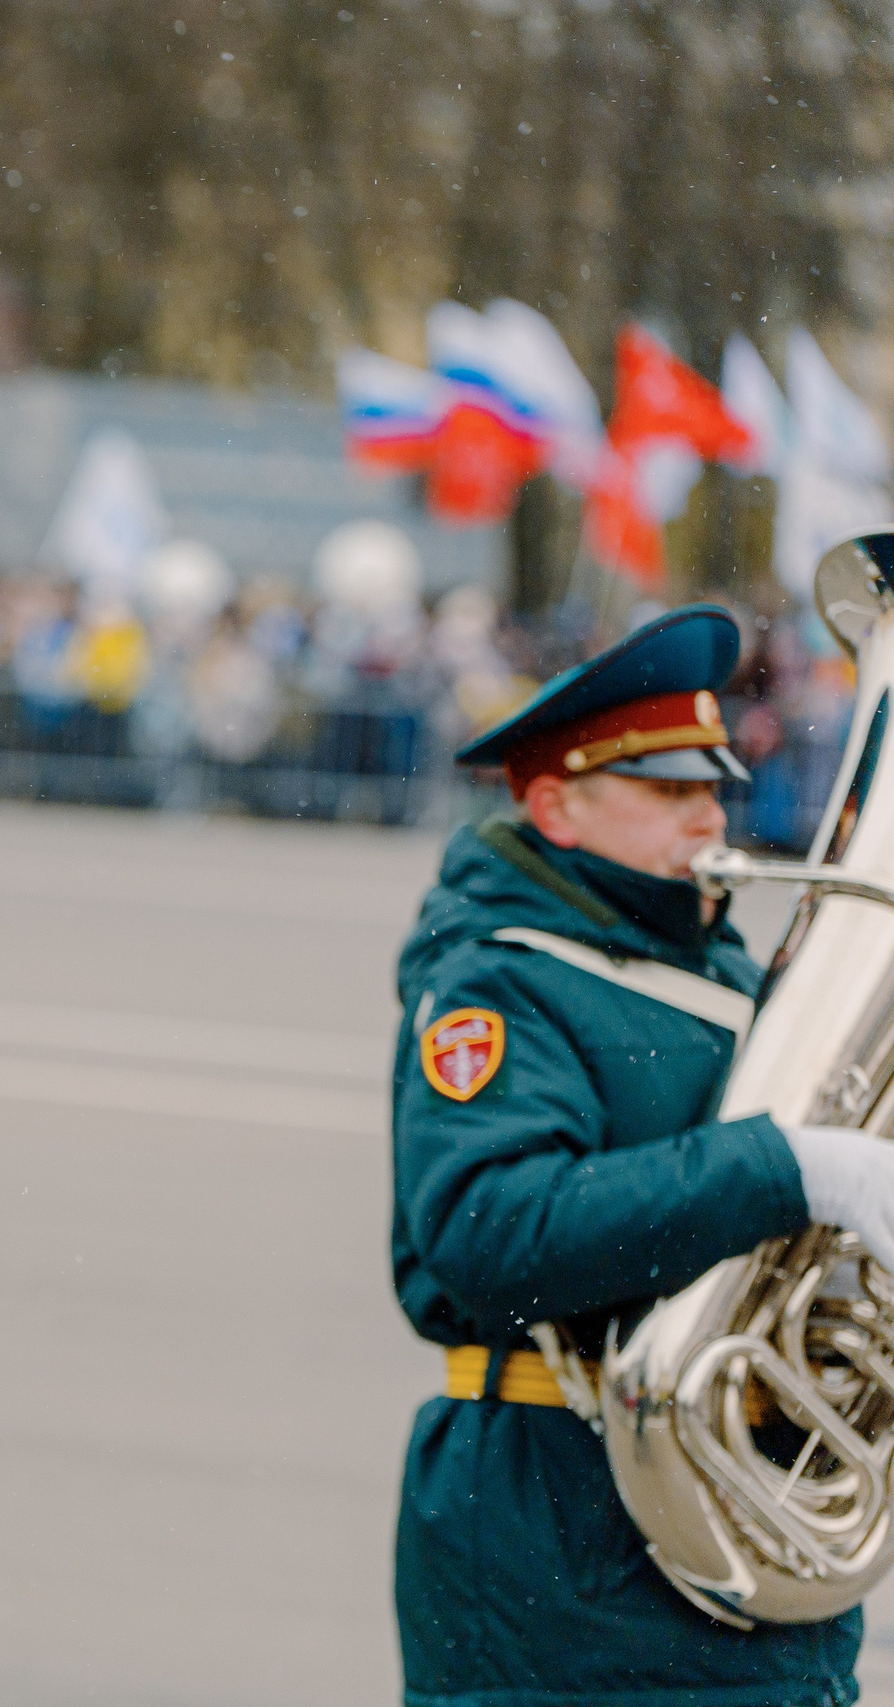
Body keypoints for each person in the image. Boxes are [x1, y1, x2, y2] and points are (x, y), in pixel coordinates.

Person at [392, 602, 894, 1706]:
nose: (707, 815)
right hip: (559, 1543)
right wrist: (791, 1172)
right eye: (667, 791)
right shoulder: (499, 983)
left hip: (750, 1540)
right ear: (555, 806)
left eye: (712, 786)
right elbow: (492, 1230)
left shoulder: (728, 979)